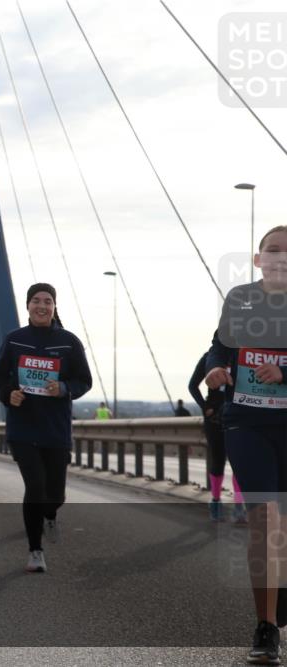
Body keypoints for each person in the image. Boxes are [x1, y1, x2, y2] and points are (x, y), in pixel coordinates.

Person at [203, 225, 287, 665]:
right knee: (265, 519)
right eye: (272, 250)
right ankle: (266, 627)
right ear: (258, 259)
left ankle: (279, 595)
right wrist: (215, 370)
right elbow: (219, 347)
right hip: (247, 422)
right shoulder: (241, 299)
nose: (280, 257)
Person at [0, 283, 92, 574]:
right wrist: (8, 393)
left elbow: (84, 381)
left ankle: (50, 514)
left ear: (54, 306)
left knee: (56, 495)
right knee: (35, 487)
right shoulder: (14, 340)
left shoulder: (69, 342)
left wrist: (63, 387)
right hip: (23, 428)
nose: (42, 306)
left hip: (55, 428)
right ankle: (35, 550)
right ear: (28, 306)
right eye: (36, 300)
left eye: (47, 301)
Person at [189, 349, 246, 523]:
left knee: (238, 462)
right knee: (218, 460)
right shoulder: (209, 358)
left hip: (236, 415)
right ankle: (215, 502)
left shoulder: (241, 356)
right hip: (214, 419)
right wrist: (205, 406)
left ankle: (239, 507)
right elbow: (192, 386)